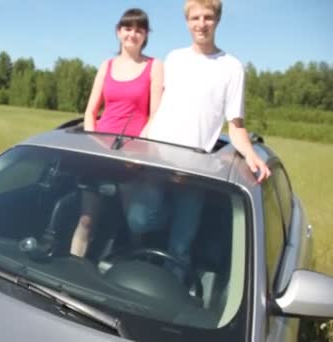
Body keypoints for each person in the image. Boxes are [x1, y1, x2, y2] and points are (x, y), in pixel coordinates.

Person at [129, 0, 271, 271]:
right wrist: (139, 146)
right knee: (139, 220)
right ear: (187, 22)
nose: (201, 24)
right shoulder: (174, 58)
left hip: (194, 172)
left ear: (217, 20)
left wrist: (252, 156)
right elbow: (157, 111)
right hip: (157, 163)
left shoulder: (232, 67)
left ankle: (173, 299)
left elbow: (236, 127)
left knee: (180, 246)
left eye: (207, 17)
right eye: (195, 18)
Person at [70, 8, 163, 257]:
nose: (133, 33)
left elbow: (155, 116)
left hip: (133, 158)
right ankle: (73, 266)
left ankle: (134, 266)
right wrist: (94, 146)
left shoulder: (154, 66)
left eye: (139, 29)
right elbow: (90, 112)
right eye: (128, 28)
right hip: (99, 154)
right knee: (87, 220)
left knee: (134, 224)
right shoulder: (106, 65)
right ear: (118, 32)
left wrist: (137, 152)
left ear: (145, 35)